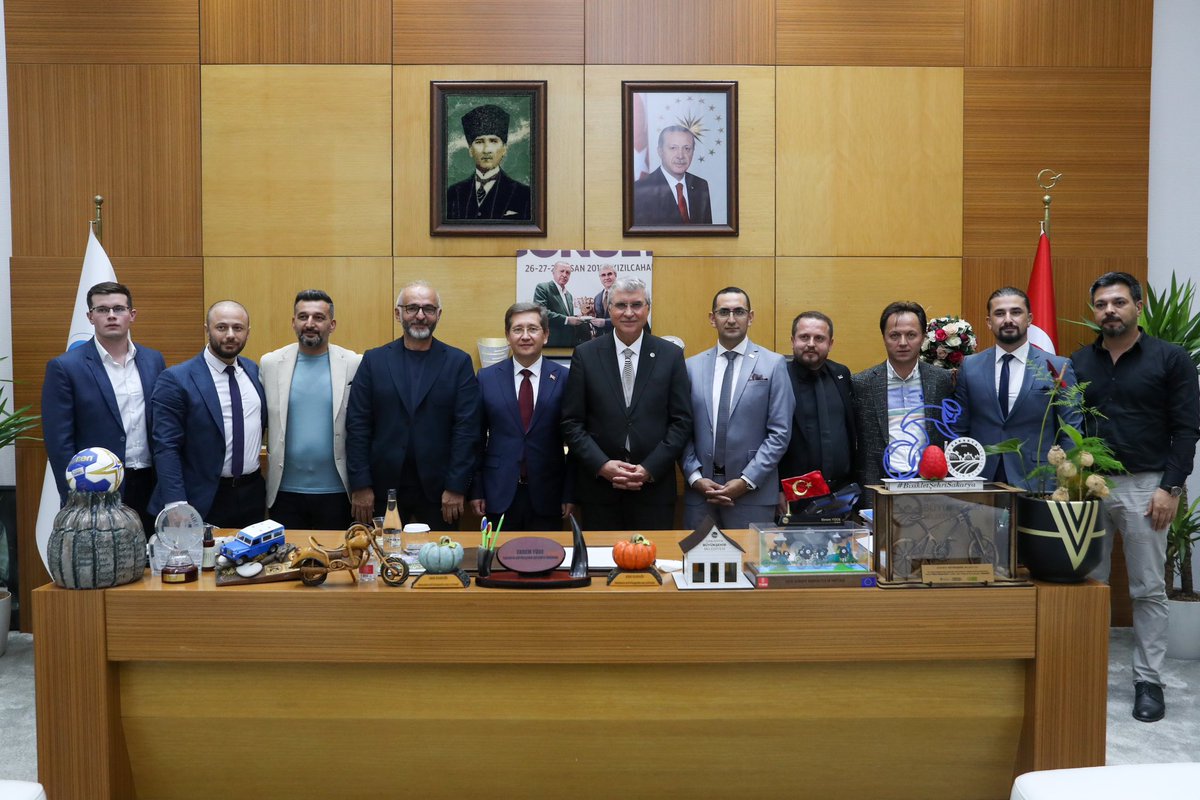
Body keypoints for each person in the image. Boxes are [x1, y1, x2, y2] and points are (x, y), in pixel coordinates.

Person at [1071, 272, 1200, 723]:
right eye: (1101, 304)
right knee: (1089, 587)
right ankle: (1087, 674)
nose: (1110, 310)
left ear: (1138, 307)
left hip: (1147, 487)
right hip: (1088, 488)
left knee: (1147, 589)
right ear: (1094, 311)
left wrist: (1170, 488)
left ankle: (1149, 681)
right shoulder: (1078, 363)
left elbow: (1187, 429)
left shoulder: (1171, 359)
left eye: (1119, 302)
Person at [346, 282, 481, 530]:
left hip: (441, 492)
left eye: (428, 309)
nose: (420, 315)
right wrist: (361, 484)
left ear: (438, 314)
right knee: (381, 553)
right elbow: (358, 426)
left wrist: (456, 486)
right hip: (381, 489)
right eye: (412, 308)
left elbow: (467, 429)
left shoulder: (458, 363)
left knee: (441, 553)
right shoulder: (374, 361)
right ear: (398, 313)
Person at [561, 277, 691, 530]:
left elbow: (681, 421)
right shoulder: (586, 355)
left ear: (647, 309)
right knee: (601, 556)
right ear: (609, 309)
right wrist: (602, 465)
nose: (629, 313)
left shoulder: (671, 355)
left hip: (653, 490)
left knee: (653, 554)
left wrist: (649, 468)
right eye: (621, 305)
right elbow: (572, 422)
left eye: (636, 305)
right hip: (600, 492)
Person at [41, 281, 166, 534]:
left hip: (150, 484)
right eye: (102, 310)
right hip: (96, 488)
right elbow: (59, 442)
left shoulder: (154, 360)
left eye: (118, 309)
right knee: (104, 557)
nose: (111, 315)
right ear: (90, 317)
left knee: (149, 555)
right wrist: (74, 499)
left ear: (132, 315)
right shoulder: (65, 367)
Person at [680, 288, 792, 529]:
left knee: (749, 555)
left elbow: (780, 433)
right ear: (712, 318)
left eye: (739, 312)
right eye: (724, 312)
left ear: (750, 317)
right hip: (701, 496)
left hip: (753, 495)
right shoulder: (691, 367)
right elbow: (681, 429)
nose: (731, 319)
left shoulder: (773, 365)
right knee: (697, 555)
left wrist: (747, 480)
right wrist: (695, 478)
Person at [149, 301, 266, 528]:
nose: (230, 335)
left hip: (251, 494)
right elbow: (165, 446)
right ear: (207, 329)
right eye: (221, 327)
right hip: (200, 498)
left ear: (248, 332)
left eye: (238, 328)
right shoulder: (176, 379)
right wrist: (175, 502)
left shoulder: (253, 371)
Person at [953, 287, 1081, 488]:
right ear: (989, 322)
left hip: (1039, 480)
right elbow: (959, 428)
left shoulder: (1058, 367)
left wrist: (1066, 480)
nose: (1008, 319)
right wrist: (960, 474)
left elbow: (1071, 431)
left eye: (1016, 312)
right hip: (981, 477)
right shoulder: (970, 367)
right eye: (999, 313)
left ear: (1029, 319)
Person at [260, 290, 362, 531]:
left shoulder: (353, 363)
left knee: (336, 555)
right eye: (303, 316)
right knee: (287, 556)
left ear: (332, 324)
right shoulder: (270, 363)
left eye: (318, 317)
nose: (310, 323)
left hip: (338, 492)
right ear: (293, 322)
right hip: (284, 491)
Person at [470, 303, 574, 531]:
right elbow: (475, 439)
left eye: (533, 329)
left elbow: (574, 439)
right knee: (499, 554)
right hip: (498, 492)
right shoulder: (486, 378)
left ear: (546, 335)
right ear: (508, 336)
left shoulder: (565, 378)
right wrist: (476, 489)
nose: (525, 336)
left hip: (549, 493)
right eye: (517, 329)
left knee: (547, 553)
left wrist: (569, 492)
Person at [851, 301, 954, 498]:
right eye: (894, 335)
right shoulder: (862, 383)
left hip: (931, 486)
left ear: (923, 337)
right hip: (879, 487)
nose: (903, 342)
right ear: (884, 337)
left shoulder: (942, 380)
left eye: (911, 335)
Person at [778, 311, 857, 508]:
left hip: (841, 493)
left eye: (819, 338)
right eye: (804, 337)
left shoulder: (841, 374)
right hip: (794, 494)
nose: (811, 344)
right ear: (793, 341)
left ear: (830, 343)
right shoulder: (779, 377)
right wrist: (776, 489)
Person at [445, 104, 532, 221]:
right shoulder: (453, 194)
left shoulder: (524, 195)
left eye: (493, 141)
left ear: (504, 149)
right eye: (479, 142)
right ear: (470, 150)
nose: (486, 150)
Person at [632, 125, 713, 226]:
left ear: (693, 152)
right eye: (673, 148)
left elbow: (707, 233)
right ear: (660, 151)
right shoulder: (641, 189)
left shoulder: (701, 185)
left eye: (687, 148)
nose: (680, 156)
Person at [532, 261, 589, 347]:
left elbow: (566, 316)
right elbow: (540, 312)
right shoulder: (543, 288)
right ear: (553, 272)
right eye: (561, 271)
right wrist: (567, 320)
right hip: (551, 343)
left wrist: (576, 318)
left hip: (569, 343)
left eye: (568, 273)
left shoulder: (569, 295)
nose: (565, 275)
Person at [589, 266, 618, 335]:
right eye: (603, 275)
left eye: (609, 274)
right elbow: (598, 321)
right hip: (602, 338)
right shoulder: (597, 297)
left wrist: (606, 322)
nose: (606, 278)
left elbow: (627, 318)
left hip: (620, 336)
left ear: (615, 275)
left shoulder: (624, 294)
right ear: (600, 278)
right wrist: (590, 318)